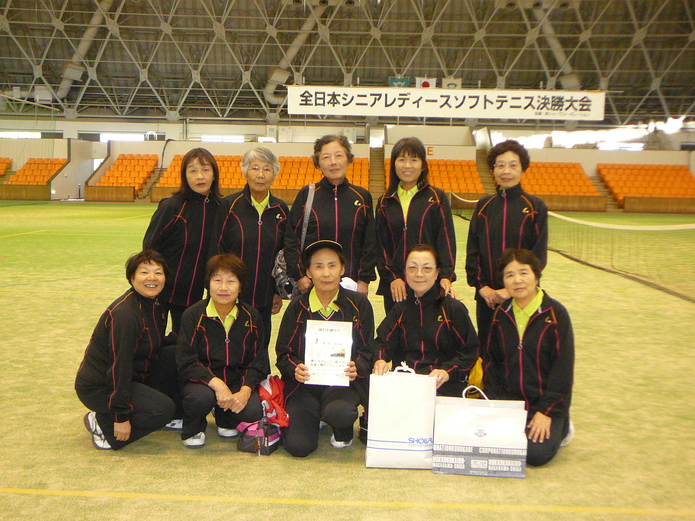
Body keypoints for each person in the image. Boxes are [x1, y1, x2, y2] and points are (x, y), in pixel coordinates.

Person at [275, 240, 375, 457]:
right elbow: (283, 352)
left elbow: (368, 350)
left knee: (340, 413)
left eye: (332, 265)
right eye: (318, 266)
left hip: (343, 384)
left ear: (342, 269)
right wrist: (295, 369)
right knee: (298, 447)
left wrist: (357, 366)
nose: (326, 273)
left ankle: (340, 425)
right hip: (304, 386)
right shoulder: (297, 307)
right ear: (308, 272)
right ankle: (314, 417)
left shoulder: (359, 304)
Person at [75, 250, 180, 450]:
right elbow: (119, 366)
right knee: (162, 410)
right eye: (144, 272)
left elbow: (154, 343)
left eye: (158, 273)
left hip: (131, 376)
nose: (152, 278)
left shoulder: (155, 303)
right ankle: (102, 424)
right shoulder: (126, 315)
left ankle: (170, 414)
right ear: (132, 278)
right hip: (101, 386)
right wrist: (120, 416)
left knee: (174, 353)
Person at [484, 248, 574, 466]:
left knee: (535, 455)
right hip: (511, 403)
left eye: (523, 272)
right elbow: (492, 363)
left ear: (536, 275)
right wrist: (496, 405)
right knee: (492, 446)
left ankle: (562, 426)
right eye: (509, 275)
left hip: (544, 405)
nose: (517, 280)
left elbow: (563, 369)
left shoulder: (556, 315)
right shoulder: (500, 314)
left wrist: (546, 412)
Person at [176, 254, 269, 448]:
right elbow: (186, 361)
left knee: (253, 411)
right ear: (208, 283)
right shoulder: (193, 315)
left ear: (240, 286)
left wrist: (244, 391)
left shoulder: (252, 316)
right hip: (202, 380)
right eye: (217, 280)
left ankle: (224, 416)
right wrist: (217, 384)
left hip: (236, 380)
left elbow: (258, 361)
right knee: (200, 398)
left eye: (231, 281)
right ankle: (194, 427)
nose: (223, 287)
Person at [465, 139, 548, 348]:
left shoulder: (535, 207)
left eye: (513, 165)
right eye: (500, 165)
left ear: (522, 169)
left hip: (522, 295)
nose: (506, 171)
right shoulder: (484, 206)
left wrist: (509, 290)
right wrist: (481, 287)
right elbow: (473, 250)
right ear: (493, 170)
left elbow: (538, 256)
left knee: (520, 349)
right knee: (487, 349)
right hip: (487, 298)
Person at [210, 147, 289, 352]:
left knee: (260, 347)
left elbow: (283, 256)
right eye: (255, 168)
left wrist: (277, 292)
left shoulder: (281, 209)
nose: (260, 174)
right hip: (231, 294)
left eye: (266, 169)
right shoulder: (230, 204)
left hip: (265, 295)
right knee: (229, 347)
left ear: (275, 174)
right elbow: (217, 250)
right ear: (245, 172)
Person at [372, 244, 478, 396]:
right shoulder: (401, 309)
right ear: (405, 273)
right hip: (407, 384)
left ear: (437, 273)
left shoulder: (453, 309)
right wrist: (380, 360)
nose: (419, 274)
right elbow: (382, 342)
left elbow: (470, 351)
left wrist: (447, 371)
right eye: (412, 268)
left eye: (427, 268)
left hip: (443, 387)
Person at [284, 135, 376, 297]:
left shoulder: (362, 197)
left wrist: (363, 279)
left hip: (351, 285)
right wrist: (299, 275)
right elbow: (292, 239)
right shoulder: (307, 195)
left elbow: (369, 243)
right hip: (311, 285)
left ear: (348, 159)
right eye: (326, 157)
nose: (333, 161)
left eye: (338, 155)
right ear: (318, 163)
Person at [143, 148, 221, 333]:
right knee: (153, 341)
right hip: (163, 292)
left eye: (205, 169)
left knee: (185, 344)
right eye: (192, 170)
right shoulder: (172, 206)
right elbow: (150, 247)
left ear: (214, 174)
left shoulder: (220, 208)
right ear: (184, 176)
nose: (199, 176)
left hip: (195, 296)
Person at [376, 137, 457, 313]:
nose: (407, 166)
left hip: (429, 281)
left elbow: (446, 239)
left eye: (414, 159)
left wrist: (445, 275)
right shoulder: (385, 202)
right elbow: (380, 245)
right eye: (402, 159)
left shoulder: (436, 198)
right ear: (394, 164)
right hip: (396, 287)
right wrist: (393, 278)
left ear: (423, 165)